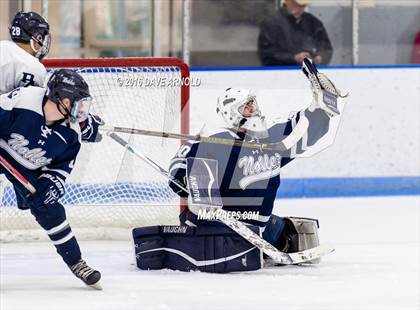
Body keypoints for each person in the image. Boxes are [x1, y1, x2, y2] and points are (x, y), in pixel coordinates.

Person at [132, 59, 347, 273]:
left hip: (255, 227)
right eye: (247, 105)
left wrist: (322, 104)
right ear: (232, 113)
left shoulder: (271, 141)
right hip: (215, 227)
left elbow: (306, 131)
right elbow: (178, 170)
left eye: (253, 103)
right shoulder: (214, 141)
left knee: (290, 232)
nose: (254, 108)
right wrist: (187, 178)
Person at [0, 69, 101, 288]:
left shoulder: (72, 133)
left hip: (26, 168)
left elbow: (59, 171)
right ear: (63, 99)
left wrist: (50, 186)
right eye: (78, 102)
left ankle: (76, 262)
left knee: (50, 209)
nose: (81, 109)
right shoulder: (23, 100)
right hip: (2, 150)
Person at [0, 11, 103, 142]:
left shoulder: (2, 46)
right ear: (36, 37)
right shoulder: (32, 66)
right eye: (42, 37)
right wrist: (81, 124)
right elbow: (32, 112)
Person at [258, 0, 333, 66]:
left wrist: (320, 57)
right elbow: (266, 54)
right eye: (295, 4)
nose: (299, 8)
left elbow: (326, 47)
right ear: (287, 1)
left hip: (310, 74)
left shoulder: (313, 23)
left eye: (303, 5)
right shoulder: (271, 23)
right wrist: (293, 58)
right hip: (280, 75)